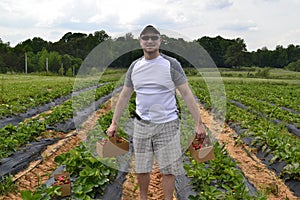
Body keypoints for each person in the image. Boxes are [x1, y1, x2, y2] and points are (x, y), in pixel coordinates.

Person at [106, 25, 206, 200]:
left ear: (160, 41)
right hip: (141, 124)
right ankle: (143, 197)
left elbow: (186, 94)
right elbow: (124, 95)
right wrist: (114, 122)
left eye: (154, 38)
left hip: (168, 124)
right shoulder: (135, 66)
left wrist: (199, 123)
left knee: (169, 168)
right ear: (140, 42)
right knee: (142, 167)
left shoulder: (171, 64)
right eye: (146, 38)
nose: (150, 41)